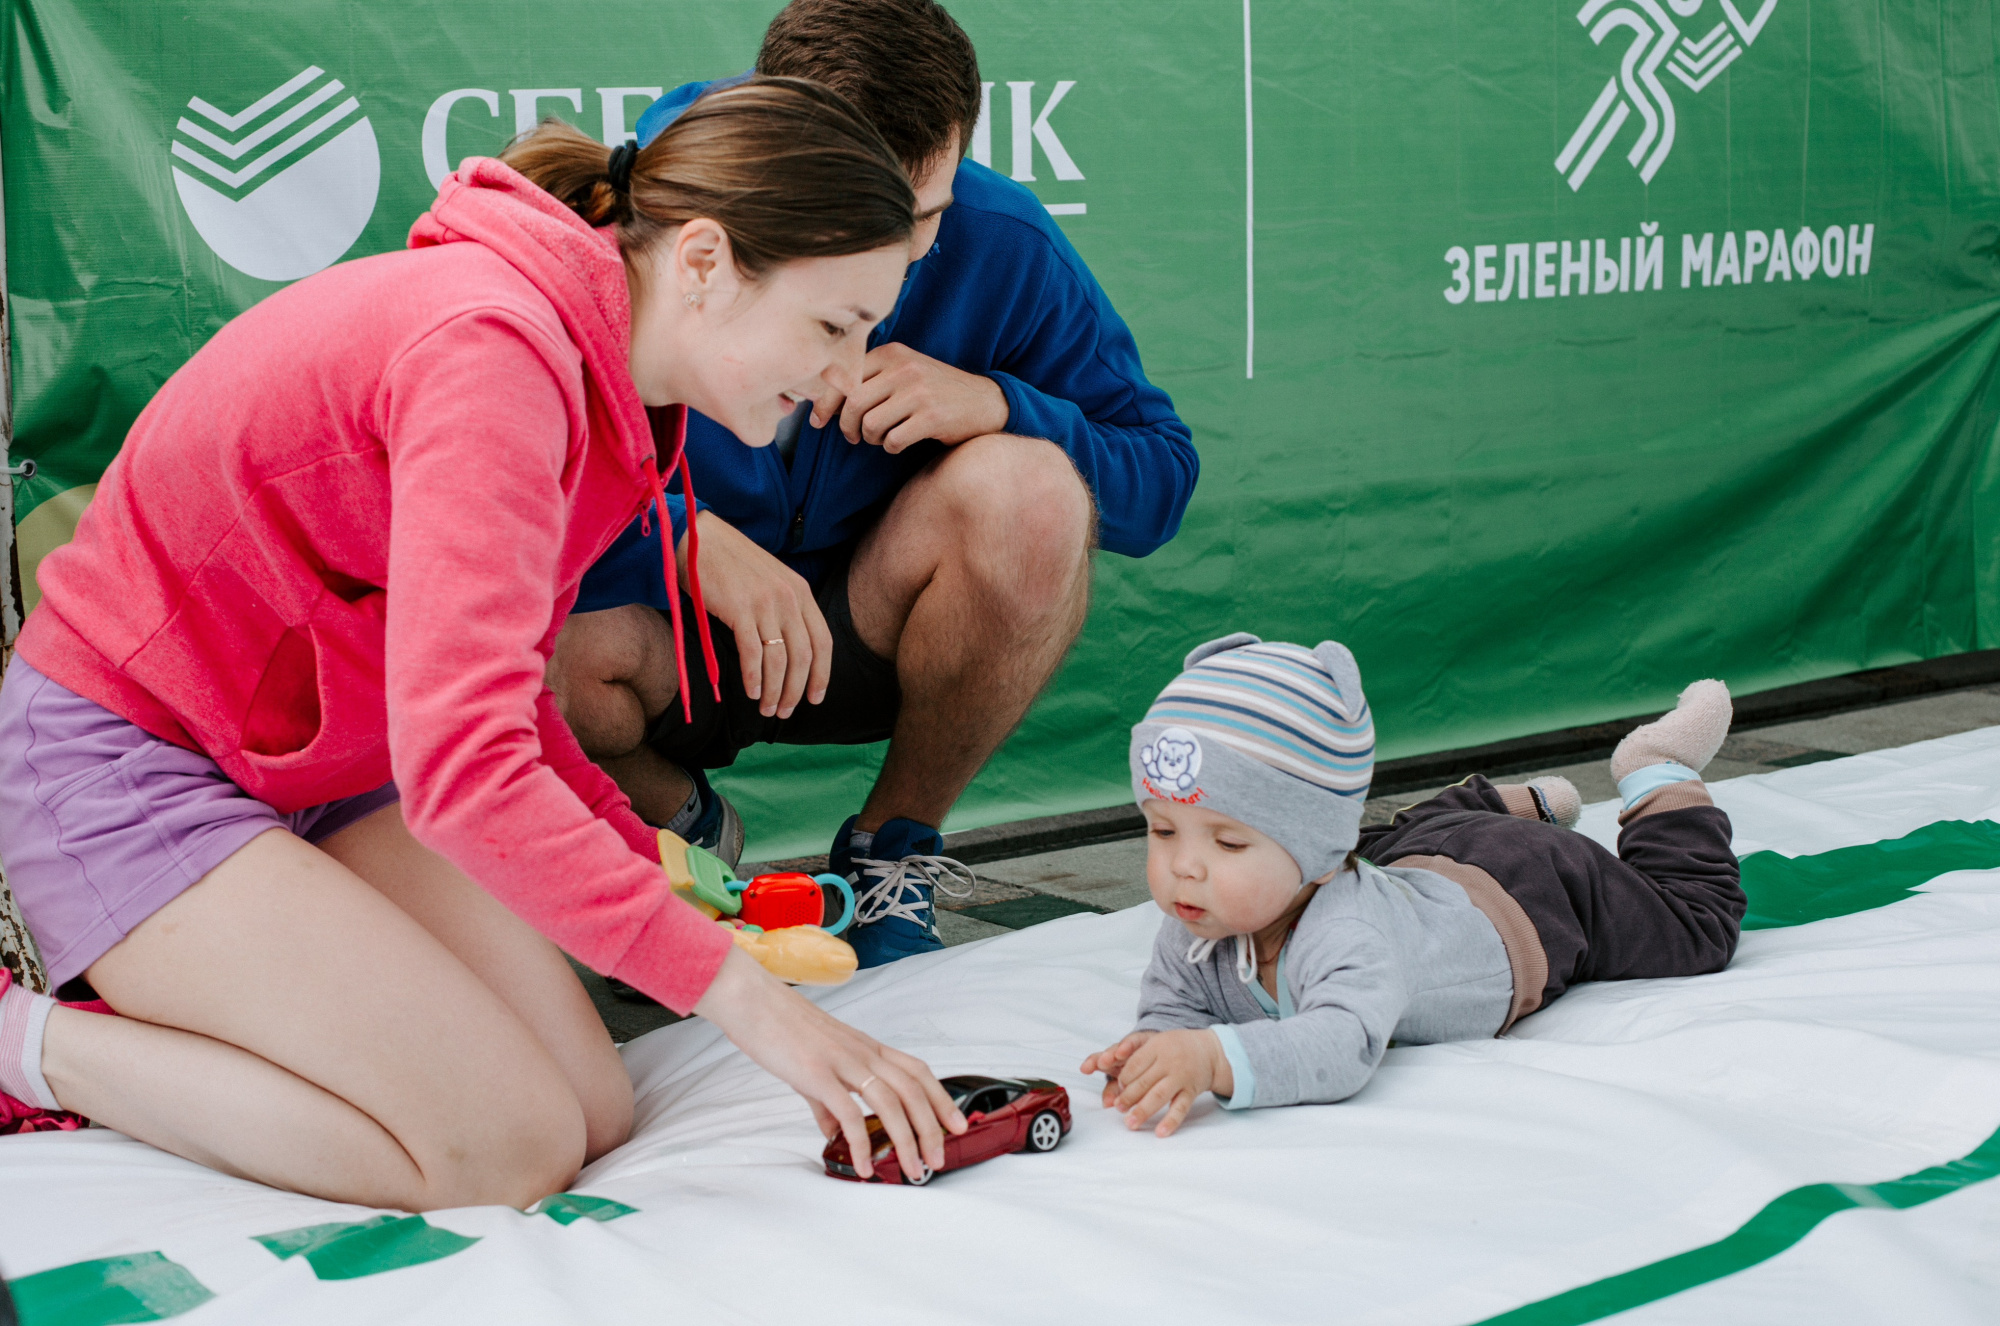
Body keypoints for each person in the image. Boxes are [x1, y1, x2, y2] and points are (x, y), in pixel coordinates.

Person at [0, 79, 966, 1199]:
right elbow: (466, 770)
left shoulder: (612, 383)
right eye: (833, 326)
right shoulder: (497, 355)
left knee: (592, 1109)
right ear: (702, 262)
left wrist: (657, 868)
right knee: (504, 1148)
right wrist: (754, 1005)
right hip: (129, 762)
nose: (847, 374)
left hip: (324, 756)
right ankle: (34, 1043)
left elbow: (495, 704)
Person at [548, 0, 1199, 968]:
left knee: (1033, 492)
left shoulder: (1003, 243)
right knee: (523, 643)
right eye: (855, 224)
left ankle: (890, 854)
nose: (888, 276)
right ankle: (683, 837)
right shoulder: (645, 210)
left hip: (864, 627)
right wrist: (676, 530)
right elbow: (497, 488)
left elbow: (1160, 475)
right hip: (666, 640)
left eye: (921, 220)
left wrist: (997, 403)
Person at [1082, 635, 1744, 1135]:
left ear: (1314, 856)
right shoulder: (1197, 921)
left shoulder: (1347, 934)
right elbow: (1176, 1005)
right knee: (1382, 839)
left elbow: (1341, 1046)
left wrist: (1210, 1058)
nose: (1183, 867)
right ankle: (1502, 803)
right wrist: (1158, 1045)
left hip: (1529, 893)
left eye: (1227, 841)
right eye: (1163, 831)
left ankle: (1656, 771)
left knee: (1693, 928)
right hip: (1412, 857)